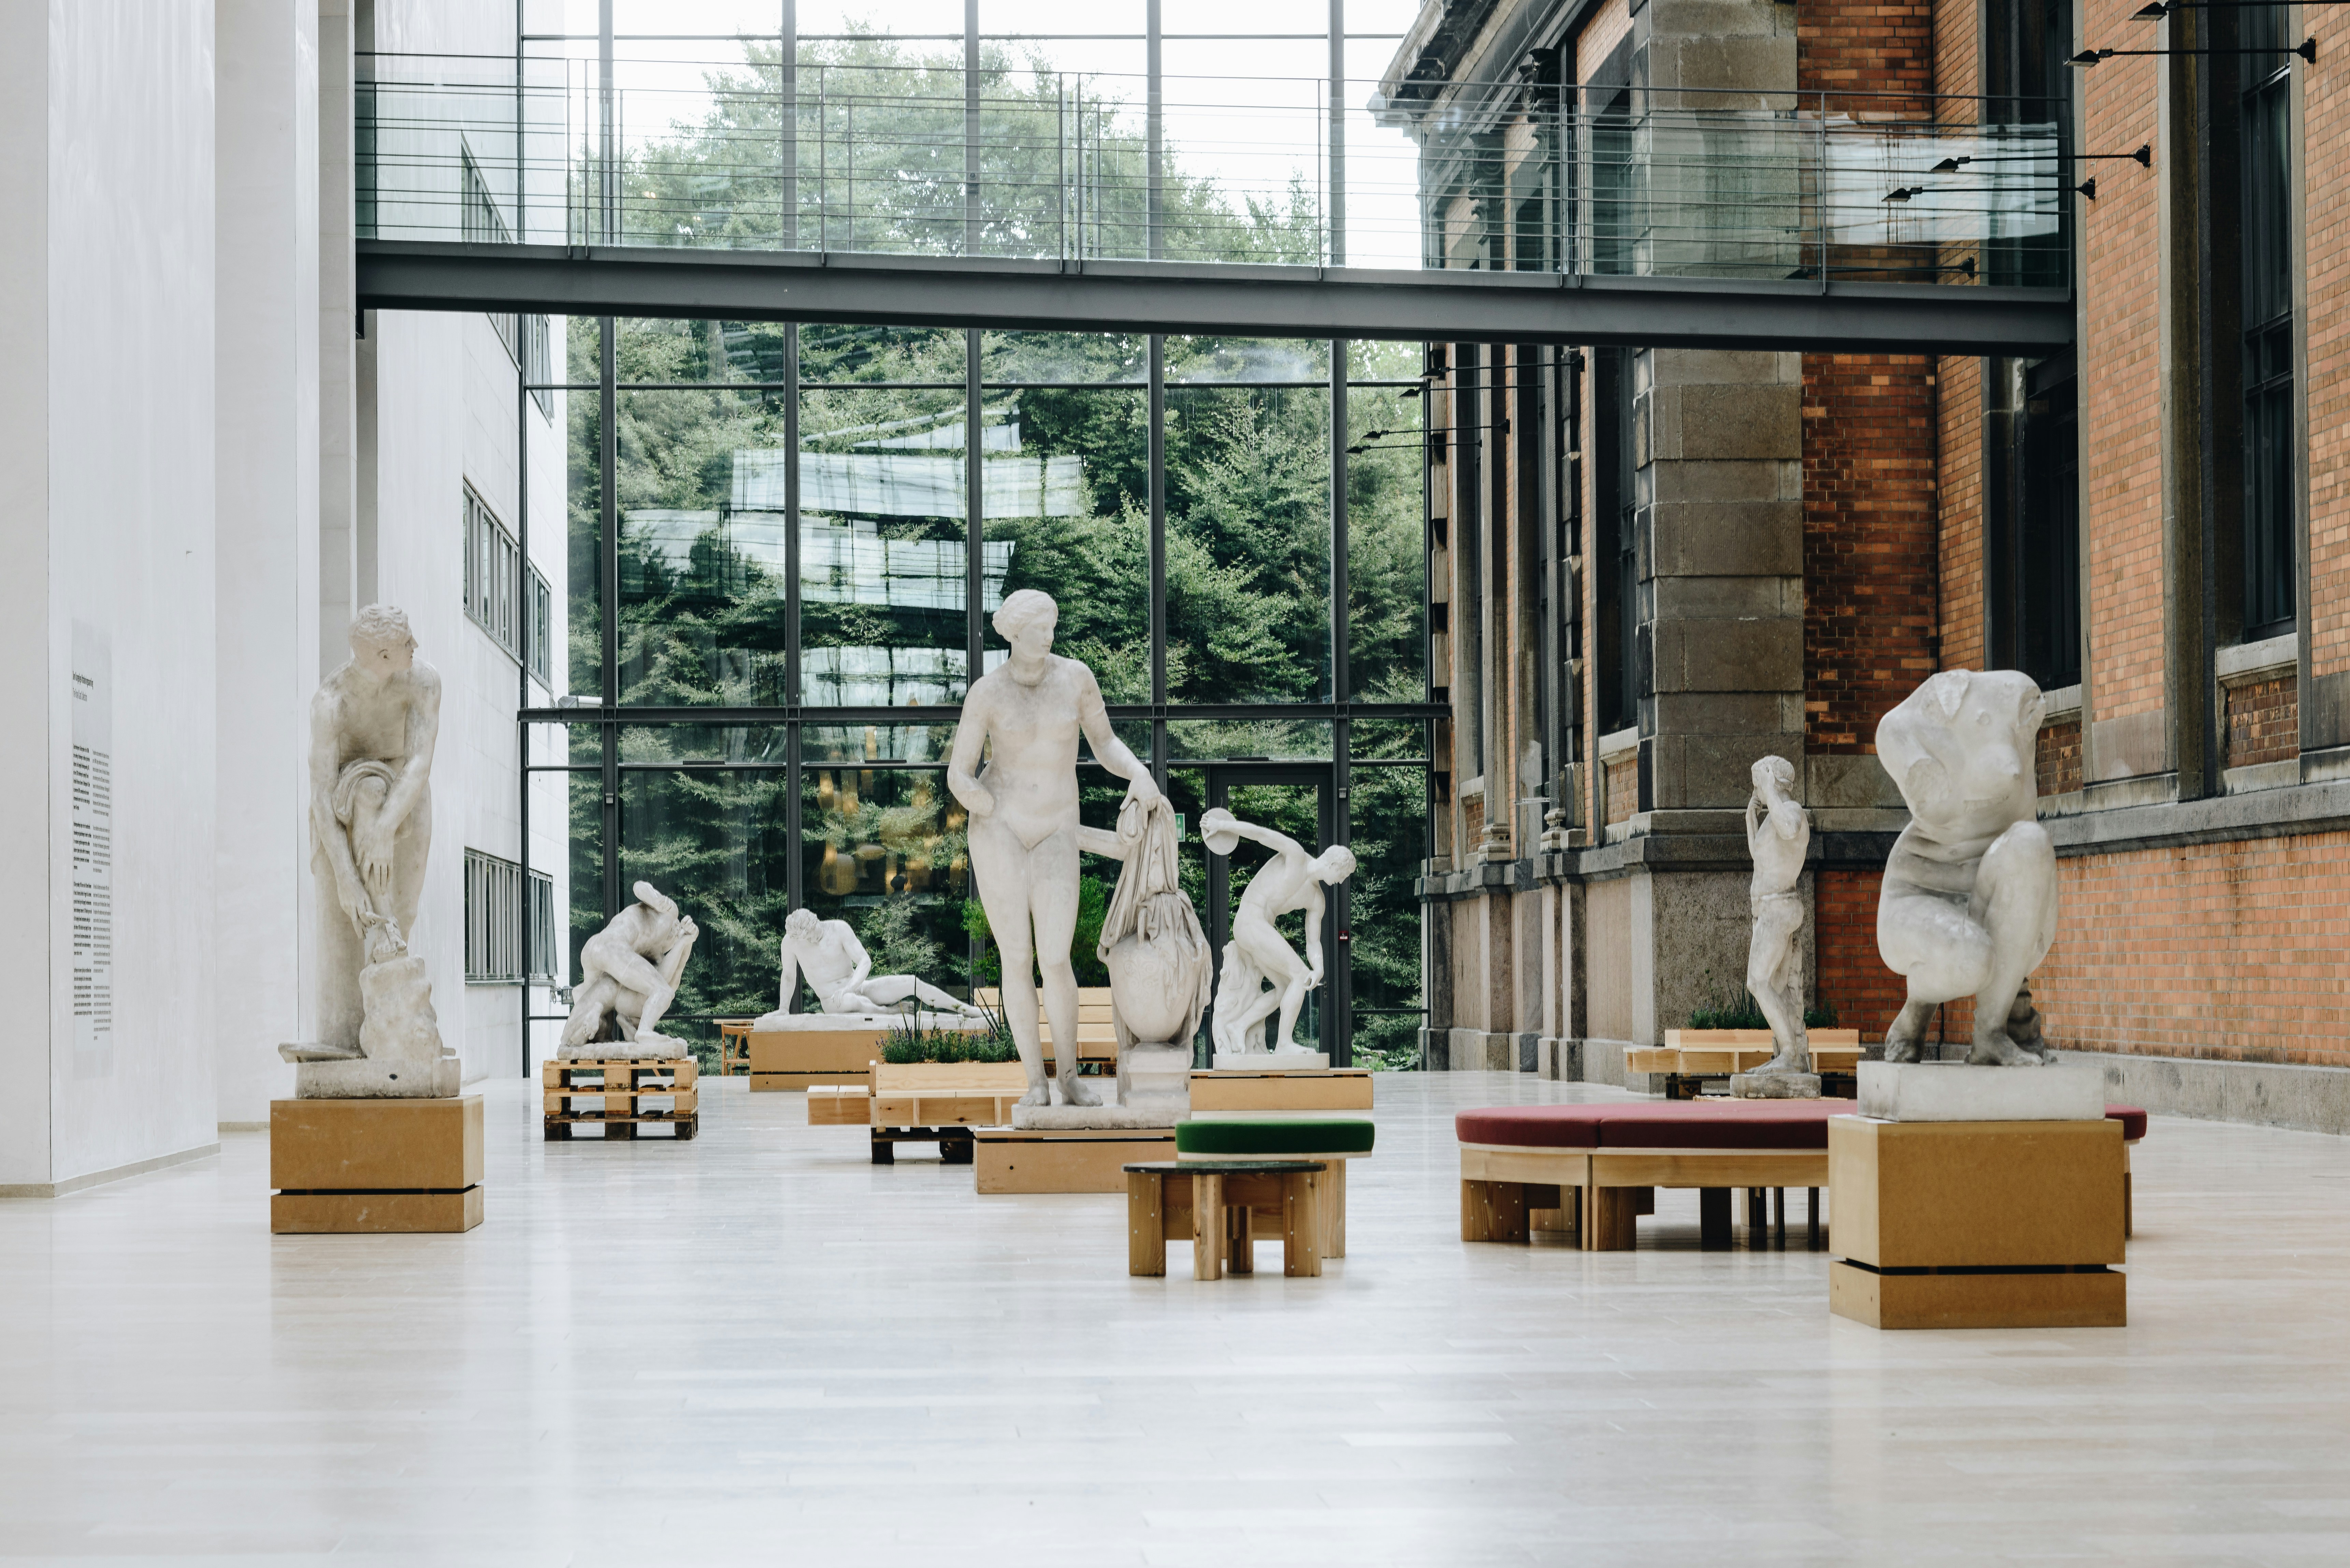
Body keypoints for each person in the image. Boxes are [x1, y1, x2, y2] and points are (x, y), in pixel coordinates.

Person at [948, 590, 1160, 1108]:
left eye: (1052, 627)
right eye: (1040, 628)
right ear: (1014, 633)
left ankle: (1068, 1077)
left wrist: (1139, 772)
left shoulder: (1075, 678)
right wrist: (974, 797)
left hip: (1055, 828)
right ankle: (1035, 1084)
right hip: (999, 829)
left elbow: (1105, 744)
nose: (1049, 636)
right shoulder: (987, 692)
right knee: (1016, 957)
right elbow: (959, 771)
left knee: (1057, 957)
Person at [307, 605, 442, 1052]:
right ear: (383, 656)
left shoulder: (423, 682)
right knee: (351, 922)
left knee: (404, 911)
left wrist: (385, 828)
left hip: (406, 794)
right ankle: (352, 1035)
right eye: (406, 643)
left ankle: (396, 1027)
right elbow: (321, 795)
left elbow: (420, 761)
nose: (415, 647)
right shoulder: (332, 702)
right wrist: (346, 876)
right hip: (346, 804)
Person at [1203, 809, 1356, 1057]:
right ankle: (1284, 1044)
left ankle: (1238, 1026)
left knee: (1286, 986)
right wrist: (1222, 825)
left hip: (1260, 930)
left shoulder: (1317, 899)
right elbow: (1260, 834)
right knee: (1299, 974)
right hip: (1250, 921)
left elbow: (1313, 941)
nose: (1341, 882)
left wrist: (1319, 967)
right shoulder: (1296, 855)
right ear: (1332, 864)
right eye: (1342, 875)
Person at [560, 882, 700, 1053]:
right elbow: (639, 887)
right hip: (615, 948)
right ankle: (645, 1032)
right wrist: (656, 900)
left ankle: (593, 1013)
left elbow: (667, 972)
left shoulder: (650, 947)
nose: (667, 950)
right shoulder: (669, 915)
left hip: (592, 949)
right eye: (672, 944)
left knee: (594, 1003)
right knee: (663, 991)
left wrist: (685, 942)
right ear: (675, 931)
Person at [776, 907, 981, 1017]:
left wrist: (850, 987)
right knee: (853, 1001)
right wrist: (784, 1008)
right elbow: (788, 976)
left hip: (857, 988)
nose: (811, 941)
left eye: (811, 935)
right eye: (805, 939)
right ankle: (891, 1012)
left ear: (815, 922)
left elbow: (865, 961)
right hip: (834, 1001)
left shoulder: (838, 929)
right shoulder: (791, 942)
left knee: (911, 982)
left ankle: (965, 1009)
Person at [1744, 755, 1812, 1077]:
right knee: (1777, 987)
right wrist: (1750, 819)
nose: (1756, 790)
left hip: (1778, 908)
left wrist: (1769, 790)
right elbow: (1761, 857)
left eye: (1758, 782)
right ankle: (1790, 1054)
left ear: (1772, 779)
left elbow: (1789, 828)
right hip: (1767, 910)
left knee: (1757, 982)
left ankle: (1790, 1056)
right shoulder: (1773, 816)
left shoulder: (1792, 812)